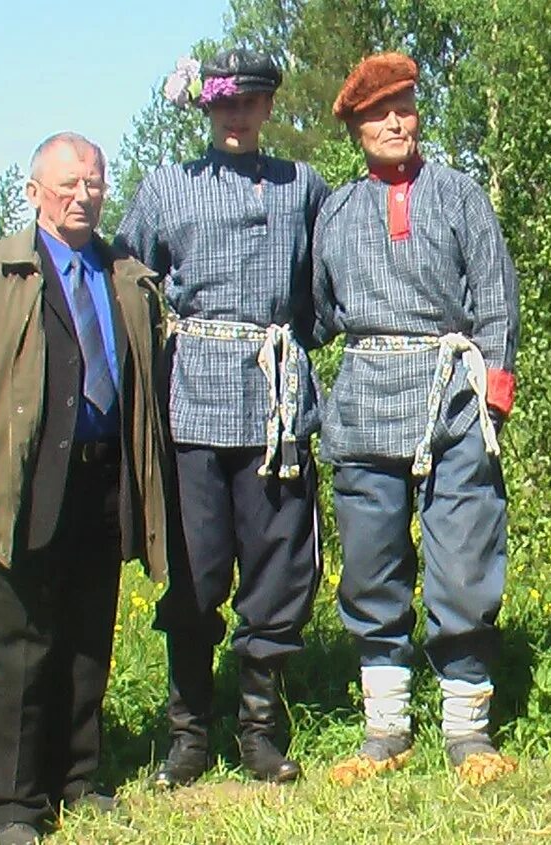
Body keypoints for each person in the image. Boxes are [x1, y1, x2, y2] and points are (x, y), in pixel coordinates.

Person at [0, 132, 172, 845]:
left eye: (93, 182)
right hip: (22, 489)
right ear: (33, 194)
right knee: (19, 647)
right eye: (67, 184)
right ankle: (12, 804)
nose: (83, 195)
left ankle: (77, 779)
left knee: (88, 639)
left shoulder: (124, 275)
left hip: (102, 480)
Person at [114, 47, 329, 788]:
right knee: (197, 572)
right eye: (224, 104)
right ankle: (188, 732)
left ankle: (260, 731)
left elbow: (320, 292)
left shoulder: (304, 188)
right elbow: (128, 280)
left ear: (269, 107)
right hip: (193, 404)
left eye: (250, 102)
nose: (237, 116)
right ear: (206, 109)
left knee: (277, 569)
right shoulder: (167, 188)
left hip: (274, 404)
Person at [310, 52, 522, 787]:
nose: (394, 120)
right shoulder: (334, 211)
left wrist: (493, 393)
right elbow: (321, 309)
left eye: (403, 105)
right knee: (372, 564)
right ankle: (386, 728)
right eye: (378, 112)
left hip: (455, 400)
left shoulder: (461, 196)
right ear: (356, 128)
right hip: (367, 397)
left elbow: (494, 294)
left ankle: (467, 730)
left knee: (464, 557)